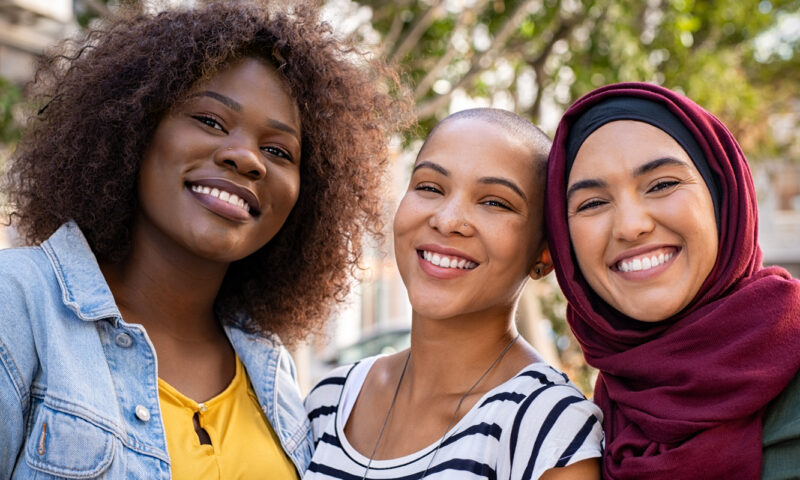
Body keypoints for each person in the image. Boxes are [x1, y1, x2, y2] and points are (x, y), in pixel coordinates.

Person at [0, 1, 409, 478]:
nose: (246, 158)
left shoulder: (269, 367)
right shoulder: (19, 304)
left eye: (277, 151)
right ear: (135, 129)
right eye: (211, 121)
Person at [304, 108, 603, 480]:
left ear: (545, 254)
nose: (447, 220)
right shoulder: (331, 400)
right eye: (429, 187)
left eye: (494, 202)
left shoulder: (548, 427)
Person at [543, 82, 800, 479]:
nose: (631, 226)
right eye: (593, 203)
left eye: (662, 184)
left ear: (723, 196)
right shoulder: (582, 429)